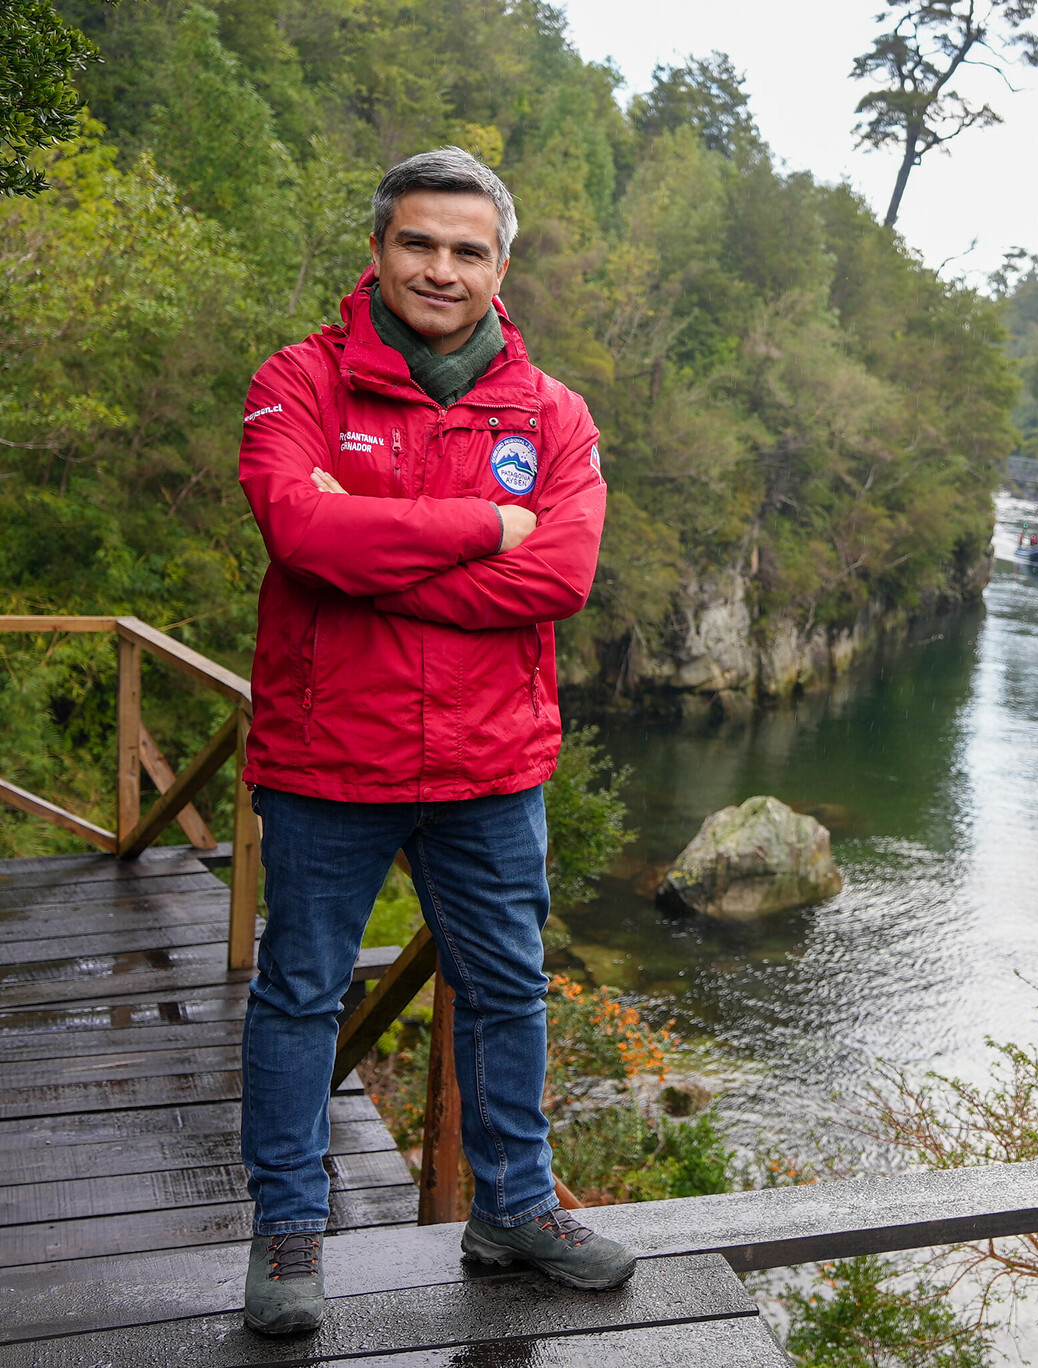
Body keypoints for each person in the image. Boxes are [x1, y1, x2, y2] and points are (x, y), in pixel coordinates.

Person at [234, 146, 633, 1336]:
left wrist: (378, 557)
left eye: (468, 249)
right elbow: (302, 535)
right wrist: (479, 527)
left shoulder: (552, 413)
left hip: (487, 764)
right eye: (418, 243)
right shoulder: (297, 381)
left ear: (501, 266)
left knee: (507, 988)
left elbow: (557, 576)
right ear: (377, 251)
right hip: (327, 758)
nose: (440, 269)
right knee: (300, 992)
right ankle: (289, 1233)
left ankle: (514, 1207)